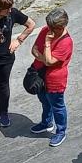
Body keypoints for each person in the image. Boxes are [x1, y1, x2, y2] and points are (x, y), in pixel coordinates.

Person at [29, 8, 73, 147]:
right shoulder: (45, 30)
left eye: (53, 28)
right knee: (44, 100)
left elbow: (50, 61)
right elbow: (34, 49)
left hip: (55, 80)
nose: (50, 30)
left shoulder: (66, 42)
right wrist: (45, 58)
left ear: (61, 27)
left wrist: (47, 44)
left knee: (57, 106)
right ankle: (46, 122)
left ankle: (61, 131)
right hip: (41, 75)